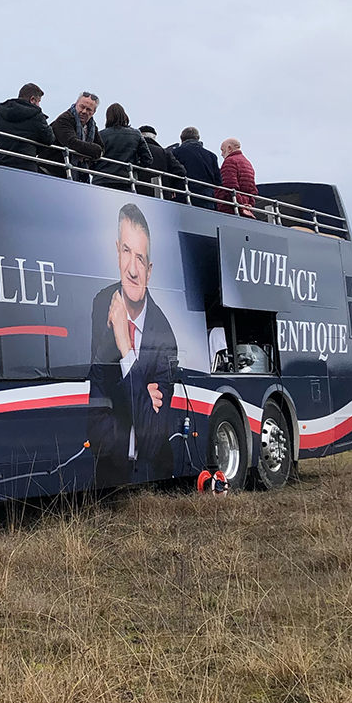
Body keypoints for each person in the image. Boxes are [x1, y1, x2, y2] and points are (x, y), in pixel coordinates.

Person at [88, 203, 178, 485]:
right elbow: (96, 407)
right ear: (117, 252)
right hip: (107, 475)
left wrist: (126, 349)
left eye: (140, 258)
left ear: (149, 271)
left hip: (153, 481)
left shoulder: (164, 338)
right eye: (127, 251)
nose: (132, 269)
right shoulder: (101, 304)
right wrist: (139, 398)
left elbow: (152, 439)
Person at [0, 83, 55, 171]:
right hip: (26, 169)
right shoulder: (36, 116)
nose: (39, 105)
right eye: (39, 101)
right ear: (32, 99)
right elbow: (49, 138)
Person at [44, 91, 104, 181]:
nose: (84, 111)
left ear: (94, 112)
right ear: (76, 104)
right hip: (51, 172)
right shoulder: (64, 120)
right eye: (82, 107)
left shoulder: (92, 127)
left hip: (74, 175)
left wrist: (89, 152)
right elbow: (72, 143)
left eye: (89, 110)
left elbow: (101, 149)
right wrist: (91, 152)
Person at [93, 103, 151, 190]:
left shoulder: (100, 135)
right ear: (124, 115)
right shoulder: (136, 134)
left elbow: (91, 159)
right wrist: (133, 166)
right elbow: (148, 159)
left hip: (101, 180)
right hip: (126, 180)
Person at [170, 127, 221, 208]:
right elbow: (218, 181)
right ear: (198, 138)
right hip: (208, 199)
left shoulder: (176, 152)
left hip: (184, 197)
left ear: (181, 138)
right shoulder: (212, 156)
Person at [139, 125, 186, 199]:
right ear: (154, 137)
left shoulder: (135, 150)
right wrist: (171, 186)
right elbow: (181, 171)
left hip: (138, 193)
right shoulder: (164, 152)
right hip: (162, 195)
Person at [217, 138, 258, 216]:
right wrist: (249, 206)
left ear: (229, 148)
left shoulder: (230, 161)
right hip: (246, 208)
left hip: (230, 209)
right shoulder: (247, 163)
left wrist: (241, 206)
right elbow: (253, 191)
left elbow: (230, 187)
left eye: (222, 150)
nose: (222, 154)